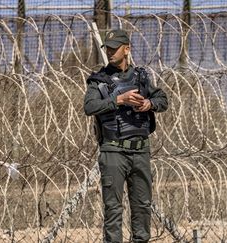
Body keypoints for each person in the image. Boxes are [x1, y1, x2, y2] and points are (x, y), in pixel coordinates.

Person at [83, 29, 168, 243]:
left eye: (114, 47)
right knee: (113, 208)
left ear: (127, 49)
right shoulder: (98, 80)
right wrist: (119, 100)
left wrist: (149, 104)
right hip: (113, 151)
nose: (110, 52)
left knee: (142, 206)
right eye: (108, 48)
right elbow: (90, 106)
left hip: (140, 150)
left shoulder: (141, 76)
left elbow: (162, 99)